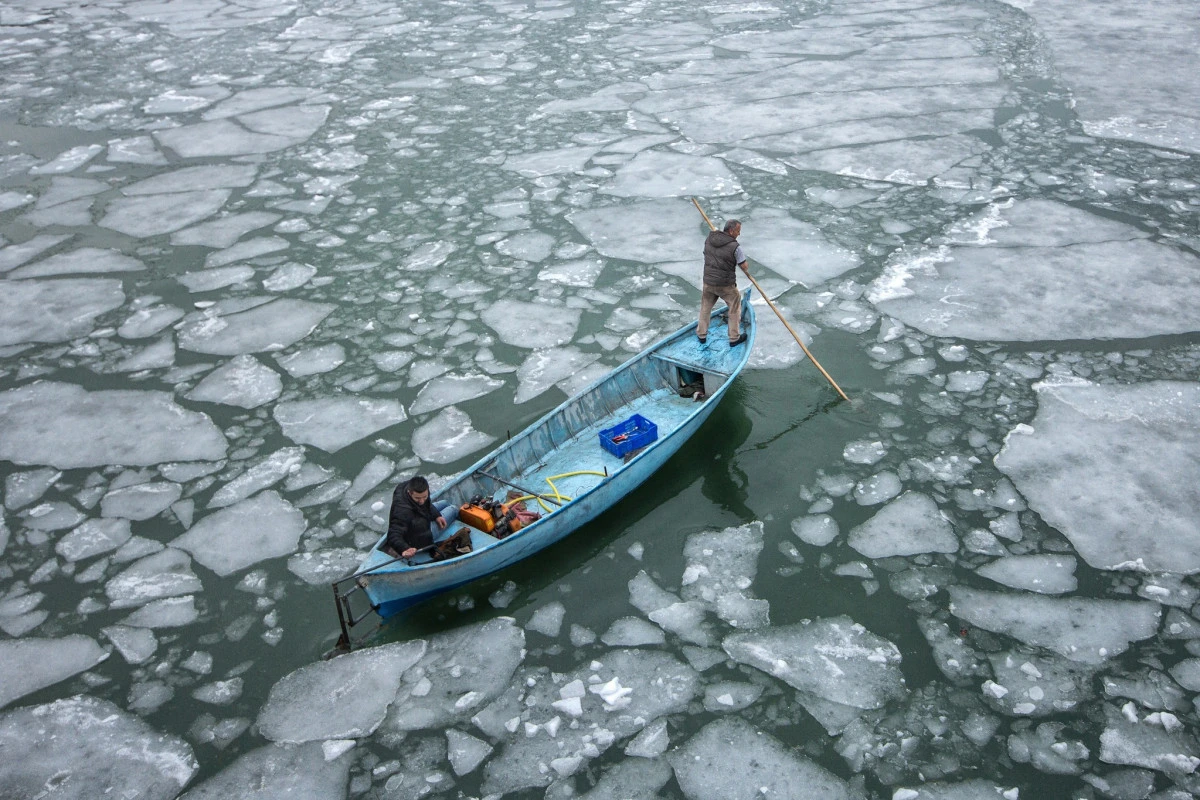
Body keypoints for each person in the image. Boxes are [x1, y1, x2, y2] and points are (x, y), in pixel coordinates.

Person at [697, 219, 749, 347]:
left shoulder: (709, 240)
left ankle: (701, 335)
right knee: (734, 308)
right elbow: (744, 266)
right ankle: (734, 338)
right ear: (731, 231)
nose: (739, 234)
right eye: (738, 231)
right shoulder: (735, 247)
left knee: (705, 307)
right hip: (725, 284)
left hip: (708, 282)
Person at [385, 476, 454, 558]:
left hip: (420, 520)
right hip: (419, 538)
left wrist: (437, 516)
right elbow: (393, 534)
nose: (421, 501)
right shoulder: (402, 511)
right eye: (417, 498)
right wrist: (404, 548)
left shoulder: (411, 487)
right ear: (409, 492)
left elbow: (426, 505)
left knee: (445, 503)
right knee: (453, 509)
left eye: (425, 497)